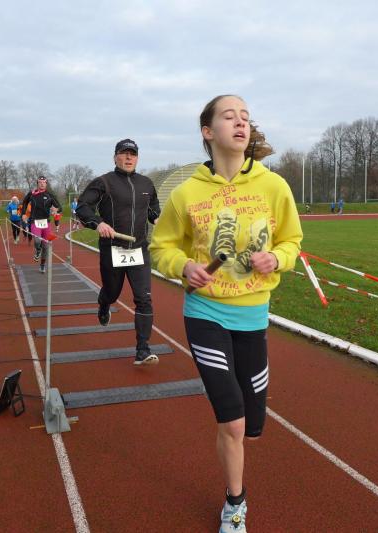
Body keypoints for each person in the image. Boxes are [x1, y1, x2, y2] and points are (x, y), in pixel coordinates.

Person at [150, 95, 302, 533]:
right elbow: (161, 246)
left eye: (246, 118)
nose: (241, 123)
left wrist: (277, 259)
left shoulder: (274, 187)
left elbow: (292, 241)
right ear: (207, 131)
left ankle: (237, 463)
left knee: (252, 427)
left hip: (254, 316)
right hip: (206, 313)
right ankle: (235, 504)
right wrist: (184, 266)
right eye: (229, 116)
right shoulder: (187, 193)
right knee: (232, 422)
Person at [76, 139, 161, 365]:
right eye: (124, 153)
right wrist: (98, 223)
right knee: (112, 293)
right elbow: (82, 206)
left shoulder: (146, 183)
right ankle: (104, 304)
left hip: (139, 250)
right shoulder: (103, 182)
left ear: (137, 158)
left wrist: (158, 219)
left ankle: (142, 349)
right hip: (113, 249)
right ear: (115, 157)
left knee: (144, 299)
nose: (129, 157)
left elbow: (153, 210)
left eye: (133, 154)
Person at [21, 176, 62, 273]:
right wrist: (23, 214)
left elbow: (60, 207)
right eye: (40, 182)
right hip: (34, 221)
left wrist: (56, 210)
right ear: (37, 184)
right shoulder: (32, 193)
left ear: (46, 184)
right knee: (37, 240)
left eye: (44, 182)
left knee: (46, 247)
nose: (42, 184)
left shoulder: (50, 195)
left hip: (46, 222)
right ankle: (38, 250)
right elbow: (25, 202)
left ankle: (42, 265)